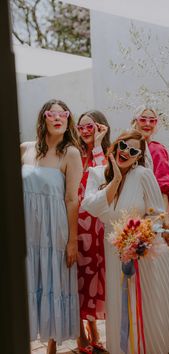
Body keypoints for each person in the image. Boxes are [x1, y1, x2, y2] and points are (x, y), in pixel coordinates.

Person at [82, 130, 169, 353]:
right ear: (116, 146)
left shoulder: (143, 175)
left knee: (142, 302)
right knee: (119, 300)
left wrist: (144, 236)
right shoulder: (98, 173)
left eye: (132, 150)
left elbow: (156, 214)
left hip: (141, 250)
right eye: (122, 146)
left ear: (139, 155)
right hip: (113, 250)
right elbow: (91, 206)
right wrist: (116, 180)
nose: (125, 152)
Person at [21, 99, 83, 354]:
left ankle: (51, 348)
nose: (58, 118)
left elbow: (72, 199)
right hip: (26, 230)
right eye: (51, 114)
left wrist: (72, 241)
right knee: (27, 280)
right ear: (43, 118)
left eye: (63, 114)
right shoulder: (25, 148)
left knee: (52, 282)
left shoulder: (71, 153)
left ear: (68, 119)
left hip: (54, 230)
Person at [76, 110, 110, 353]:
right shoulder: (73, 154)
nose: (87, 131)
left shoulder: (109, 153)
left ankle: (94, 328)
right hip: (76, 224)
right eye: (82, 128)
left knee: (96, 278)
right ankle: (82, 336)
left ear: (102, 128)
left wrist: (98, 145)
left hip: (99, 225)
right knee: (80, 277)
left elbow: (103, 181)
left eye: (92, 127)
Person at [131, 105, 169, 250]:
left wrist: (166, 222)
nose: (147, 124)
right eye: (143, 119)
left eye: (152, 120)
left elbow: (163, 189)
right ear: (135, 121)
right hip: (129, 211)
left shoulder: (157, 150)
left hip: (151, 214)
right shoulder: (126, 147)